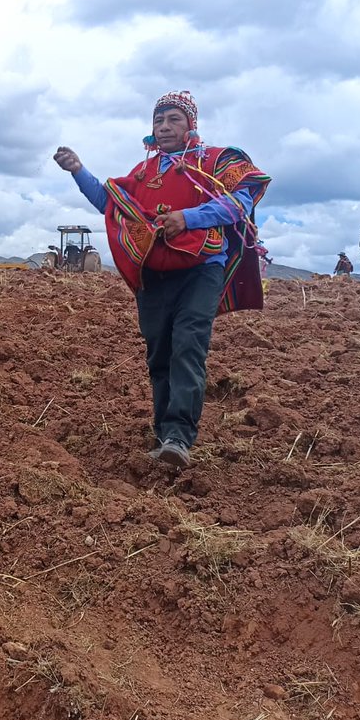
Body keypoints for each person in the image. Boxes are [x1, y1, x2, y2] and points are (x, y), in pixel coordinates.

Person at [54, 90, 270, 469]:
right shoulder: (145, 172)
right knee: (159, 351)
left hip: (203, 267)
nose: (165, 126)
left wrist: (188, 218)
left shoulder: (215, 160)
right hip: (153, 272)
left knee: (189, 343)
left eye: (174, 119)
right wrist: (78, 171)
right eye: (159, 120)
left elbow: (242, 200)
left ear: (191, 124)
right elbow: (111, 204)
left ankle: (178, 436)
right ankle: (163, 432)